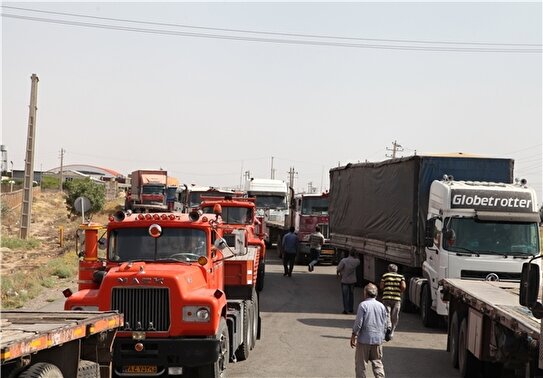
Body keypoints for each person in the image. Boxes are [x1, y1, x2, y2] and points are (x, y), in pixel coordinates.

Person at [350, 283, 388, 378]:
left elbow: (359, 323)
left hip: (364, 340)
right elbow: (385, 323)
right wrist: (382, 336)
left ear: (365, 293)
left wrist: (354, 335)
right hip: (377, 340)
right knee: (377, 363)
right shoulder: (381, 306)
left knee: (361, 365)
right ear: (376, 294)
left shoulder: (363, 305)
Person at [379, 264, 406, 340]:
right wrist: (399, 291)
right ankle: (392, 332)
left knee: (387, 313)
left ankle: (388, 326)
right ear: (396, 270)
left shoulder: (385, 275)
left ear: (389, 269)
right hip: (396, 298)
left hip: (386, 297)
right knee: (395, 315)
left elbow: (381, 286)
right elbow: (403, 286)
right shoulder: (401, 277)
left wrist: (385, 288)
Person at [336, 249, 360, 314]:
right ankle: (351, 309)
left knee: (345, 295)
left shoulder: (344, 260)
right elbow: (358, 260)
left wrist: (338, 273)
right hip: (352, 281)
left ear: (349, 253)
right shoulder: (357, 261)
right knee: (351, 295)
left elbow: (338, 268)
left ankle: (346, 309)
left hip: (344, 281)